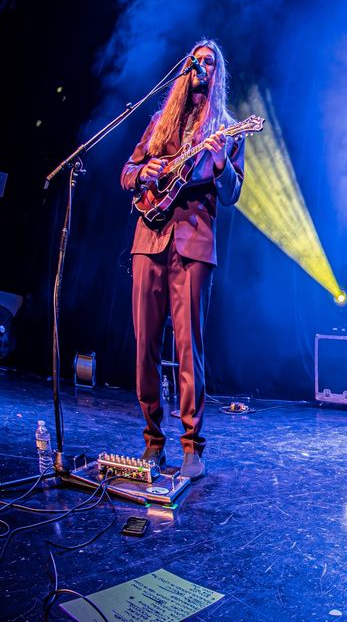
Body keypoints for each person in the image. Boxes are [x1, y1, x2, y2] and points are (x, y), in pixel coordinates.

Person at [120, 39, 244, 480]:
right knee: (144, 346)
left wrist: (219, 163)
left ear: (218, 73)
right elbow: (127, 174)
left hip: (193, 243)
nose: (203, 66)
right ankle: (153, 441)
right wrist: (143, 172)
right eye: (197, 60)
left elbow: (232, 194)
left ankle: (192, 446)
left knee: (189, 347)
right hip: (148, 239)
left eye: (211, 62)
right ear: (186, 69)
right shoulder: (159, 121)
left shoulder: (227, 129)